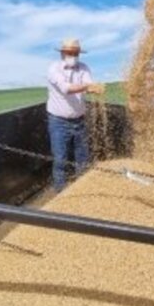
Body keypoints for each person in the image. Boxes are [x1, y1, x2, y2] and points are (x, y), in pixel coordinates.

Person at [46, 38, 105, 192]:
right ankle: (61, 192)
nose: (73, 55)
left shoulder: (83, 68)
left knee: (83, 157)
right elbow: (67, 88)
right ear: (62, 53)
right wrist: (88, 86)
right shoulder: (54, 69)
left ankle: (82, 190)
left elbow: (88, 84)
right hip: (58, 121)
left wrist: (93, 88)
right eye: (69, 53)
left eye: (75, 53)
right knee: (60, 159)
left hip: (79, 120)